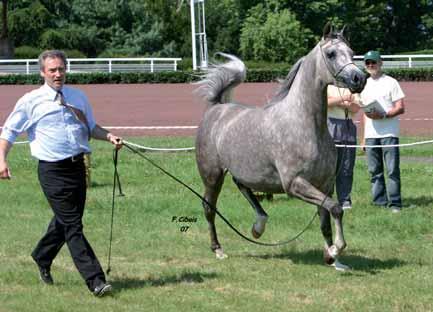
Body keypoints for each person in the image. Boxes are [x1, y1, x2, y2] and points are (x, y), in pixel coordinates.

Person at [0, 50, 123, 296]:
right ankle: (96, 281)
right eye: (52, 70)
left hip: (78, 167)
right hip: (51, 170)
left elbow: (91, 127)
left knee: (65, 222)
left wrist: (109, 136)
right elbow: (9, 131)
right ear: (43, 72)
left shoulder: (78, 96)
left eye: (61, 69)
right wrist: (1, 160)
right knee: (73, 226)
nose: (58, 74)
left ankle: (42, 256)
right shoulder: (30, 100)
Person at [360, 50, 405, 213]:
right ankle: (379, 202)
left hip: (389, 134)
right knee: (374, 171)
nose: (371, 65)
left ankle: (395, 203)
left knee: (392, 170)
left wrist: (384, 114)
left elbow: (401, 107)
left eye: (374, 62)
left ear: (381, 63)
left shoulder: (391, 82)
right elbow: (365, 114)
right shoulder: (364, 85)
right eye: (368, 63)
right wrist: (364, 138)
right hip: (371, 136)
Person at [327, 85, 361, 210]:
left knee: (347, 166)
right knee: (329, 167)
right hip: (330, 125)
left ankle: (345, 199)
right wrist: (345, 99)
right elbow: (325, 102)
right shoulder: (328, 86)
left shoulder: (352, 88)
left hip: (348, 127)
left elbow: (356, 108)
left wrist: (337, 101)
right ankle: (327, 198)